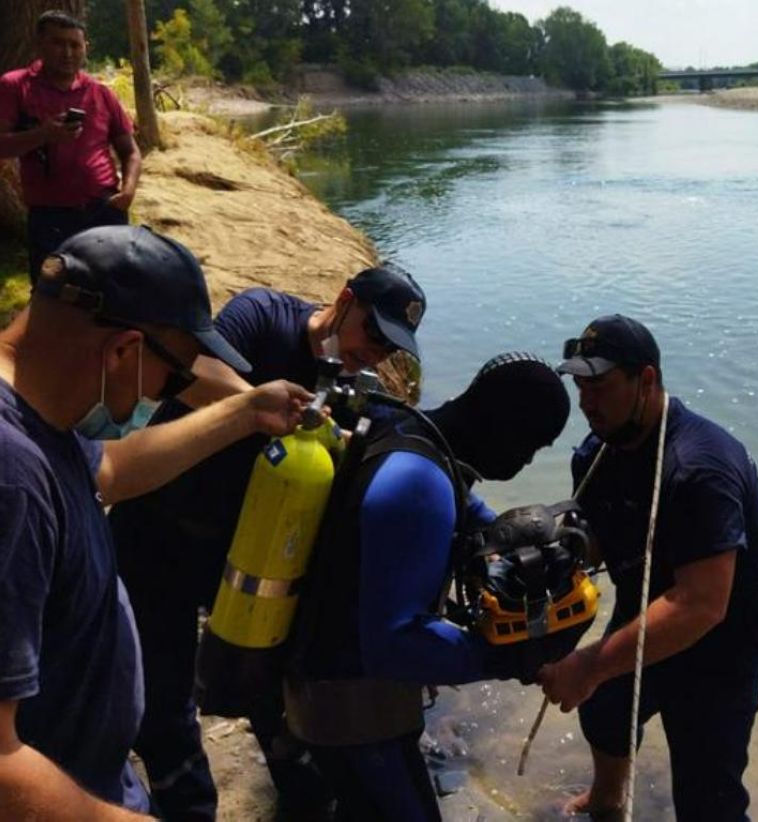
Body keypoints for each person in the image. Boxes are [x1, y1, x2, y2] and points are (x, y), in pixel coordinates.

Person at [0, 225, 310, 819]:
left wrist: (246, 411)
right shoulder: (11, 478)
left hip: (90, 778)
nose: (172, 391)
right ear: (122, 351)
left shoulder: (42, 409)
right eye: (177, 376)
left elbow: (109, 470)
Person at [107, 264, 428, 820]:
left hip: (241, 549)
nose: (374, 353)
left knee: (269, 685)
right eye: (372, 333)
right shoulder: (262, 316)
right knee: (164, 699)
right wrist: (260, 406)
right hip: (154, 529)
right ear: (344, 300)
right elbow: (192, 368)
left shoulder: (352, 389)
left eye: (388, 348)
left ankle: (304, 797)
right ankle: (190, 807)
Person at [287, 352, 572, 821]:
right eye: (531, 446)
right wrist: (508, 657)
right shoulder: (418, 485)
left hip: (320, 681)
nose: (527, 462)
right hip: (346, 708)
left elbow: (460, 501)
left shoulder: (409, 428)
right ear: (503, 426)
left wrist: (500, 536)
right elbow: (395, 645)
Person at [539, 315, 758, 821]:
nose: (586, 402)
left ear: (645, 380)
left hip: (723, 645)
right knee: (605, 710)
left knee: (708, 799)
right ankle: (608, 800)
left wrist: (588, 665)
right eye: (580, 386)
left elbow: (701, 605)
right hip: (647, 601)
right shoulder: (597, 452)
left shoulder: (700, 468)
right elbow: (597, 539)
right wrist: (547, 565)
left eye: (599, 386)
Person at [0, 11, 141, 283]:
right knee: (50, 294)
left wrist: (128, 190)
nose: (67, 52)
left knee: (113, 293)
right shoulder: (16, 86)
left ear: (86, 48)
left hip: (104, 209)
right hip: (50, 216)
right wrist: (43, 135)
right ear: (39, 44)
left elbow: (130, 151)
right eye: (58, 43)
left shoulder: (100, 93)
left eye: (75, 45)